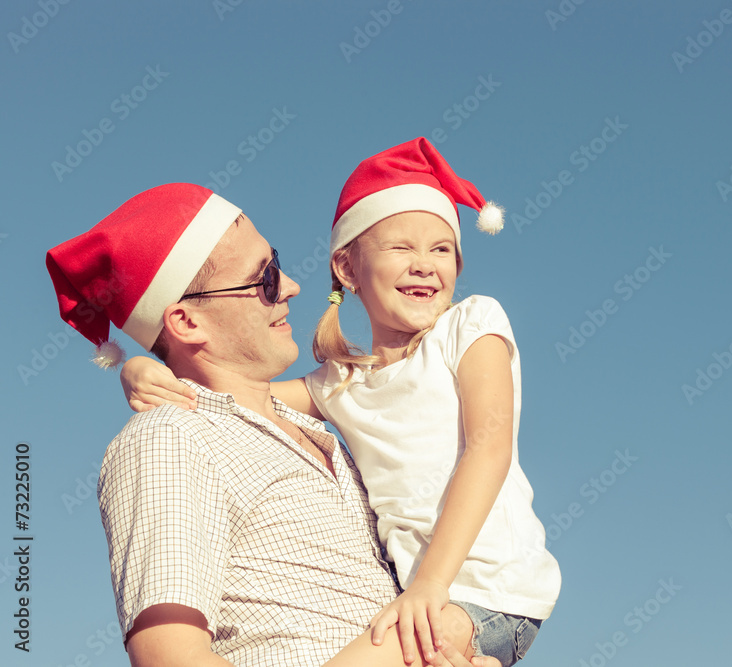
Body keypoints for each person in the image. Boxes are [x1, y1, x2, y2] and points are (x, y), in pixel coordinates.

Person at [121, 139, 561, 667]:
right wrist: (145, 366)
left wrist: (427, 586)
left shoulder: (472, 326)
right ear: (348, 270)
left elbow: (488, 448)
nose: (425, 265)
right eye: (402, 248)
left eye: (442, 249)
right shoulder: (338, 387)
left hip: (487, 588)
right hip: (427, 596)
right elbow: (228, 393)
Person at [46, 183, 498, 667]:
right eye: (264, 279)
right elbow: (169, 658)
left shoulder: (322, 431)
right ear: (186, 322)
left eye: (275, 264)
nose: (291, 287)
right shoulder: (170, 437)